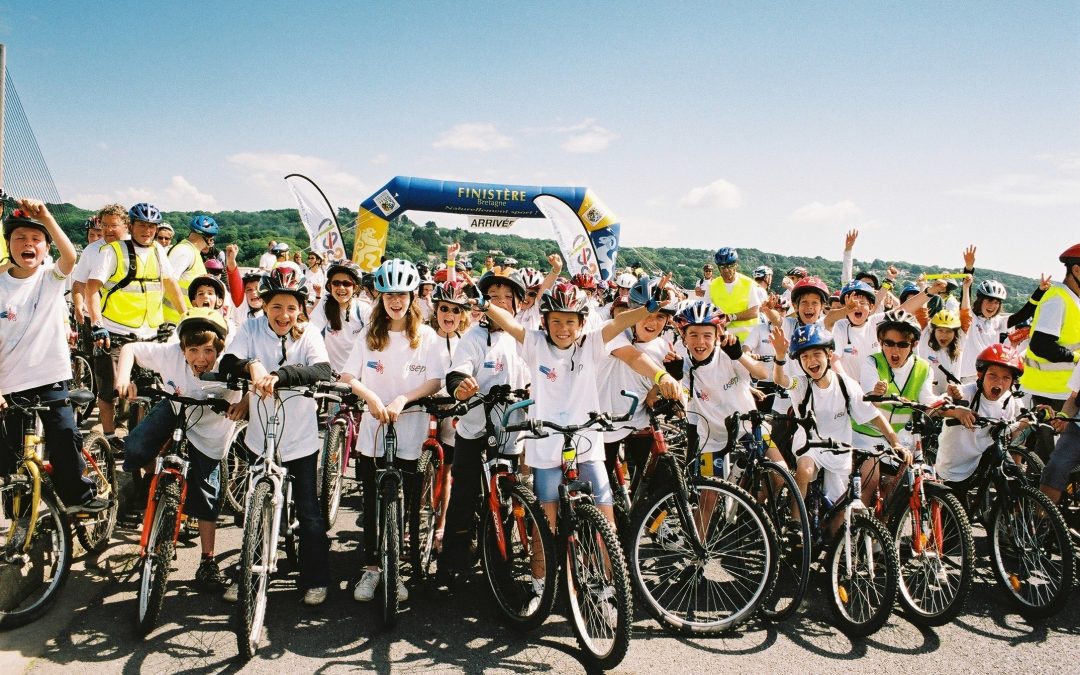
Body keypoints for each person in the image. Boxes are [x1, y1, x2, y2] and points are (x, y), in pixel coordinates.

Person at [220, 262, 333, 605]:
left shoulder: (309, 333)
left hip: (299, 436)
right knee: (256, 505)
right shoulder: (251, 328)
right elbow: (227, 361)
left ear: (300, 308)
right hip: (260, 435)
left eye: (291, 307)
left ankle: (315, 577)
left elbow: (322, 369)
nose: (283, 315)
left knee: (309, 511)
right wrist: (250, 365)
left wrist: (282, 376)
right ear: (264, 305)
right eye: (276, 307)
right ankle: (248, 569)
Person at [338, 259, 445, 604]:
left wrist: (403, 397)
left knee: (405, 504)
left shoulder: (427, 336)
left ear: (412, 297)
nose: (395, 301)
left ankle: (396, 569)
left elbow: (434, 380)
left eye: (401, 295)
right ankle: (371, 568)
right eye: (388, 295)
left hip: (410, 427)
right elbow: (348, 376)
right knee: (372, 502)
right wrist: (369, 396)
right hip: (373, 427)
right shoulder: (369, 336)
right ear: (380, 298)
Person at [114, 308, 241, 592]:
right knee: (134, 447)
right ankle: (154, 482)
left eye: (208, 350)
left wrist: (242, 405)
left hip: (210, 428)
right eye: (192, 349)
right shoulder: (170, 353)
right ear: (181, 347)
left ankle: (208, 561)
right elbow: (130, 348)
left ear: (220, 349)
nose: (200, 358)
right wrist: (123, 377)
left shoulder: (231, 362)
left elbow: (255, 379)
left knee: (208, 495)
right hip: (176, 408)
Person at [0, 199, 105, 513]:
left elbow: (70, 257)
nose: (28, 244)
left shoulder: (49, 278)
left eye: (36, 240)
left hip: (50, 378)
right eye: (20, 238)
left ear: (46, 248)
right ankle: (18, 512)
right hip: (9, 384)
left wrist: (45, 217)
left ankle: (79, 498)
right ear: (8, 245)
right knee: (11, 456)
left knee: (64, 438)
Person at [440, 268, 531, 584]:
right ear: (483, 303)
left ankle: (499, 560)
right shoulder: (474, 337)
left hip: (510, 432)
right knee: (463, 496)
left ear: (518, 304)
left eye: (509, 298)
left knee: (509, 496)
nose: (502, 303)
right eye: (494, 297)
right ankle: (451, 562)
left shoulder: (526, 337)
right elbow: (456, 373)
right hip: (475, 428)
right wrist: (461, 387)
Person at [85, 203, 187, 451]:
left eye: (152, 226)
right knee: (109, 390)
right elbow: (91, 289)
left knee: (148, 393)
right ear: (131, 226)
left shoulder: (159, 252)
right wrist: (97, 323)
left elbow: (172, 286)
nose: (147, 231)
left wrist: (187, 316)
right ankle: (108, 439)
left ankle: (140, 438)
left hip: (149, 335)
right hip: (115, 332)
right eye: (142, 225)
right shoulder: (113, 252)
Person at [769, 324, 905, 509]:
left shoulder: (846, 385)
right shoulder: (801, 384)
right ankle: (796, 527)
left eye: (817, 354)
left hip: (839, 447)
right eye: (804, 357)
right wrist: (779, 356)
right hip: (810, 443)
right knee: (805, 471)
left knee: (838, 512)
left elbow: (874, 415)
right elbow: (780, 380)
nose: (811, 361)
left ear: (829, 355)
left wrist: (895, 442)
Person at [676, 301, 769, 477]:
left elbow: (762, 373)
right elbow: (683, 403)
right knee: (708, 498)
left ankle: (744, 501)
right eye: (693, 335)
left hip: (748, 426)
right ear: (683, 336)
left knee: (779, 474)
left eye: (707, 335)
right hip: (713, 436)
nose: (700, 342)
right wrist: (676, 377)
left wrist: (740, 355)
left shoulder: (729, 353)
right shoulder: (685, 365)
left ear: (718, 335)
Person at [935, 345, 1029, 487]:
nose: (999, 382)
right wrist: (956, 411)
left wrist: (1037, 414)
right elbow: (934, 408)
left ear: (1012, 382)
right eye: (993, 375)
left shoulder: (1011, 399)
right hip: (955, 465)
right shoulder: (965, 393)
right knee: (958, 506)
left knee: (1016, 481)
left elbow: (1025, 419)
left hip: (986, 459)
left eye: (1006, 378)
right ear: (981, 375)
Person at [71, 204, 128, 325]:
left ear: (126, 226)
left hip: (125, 321)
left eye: (113, 225)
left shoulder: (136, 247)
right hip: (93, 316)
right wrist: (78, 304)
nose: (108, 230)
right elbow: (79, 282)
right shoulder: (91, 250)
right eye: (105, 225)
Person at [307, 260, 368, 373]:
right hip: (330, 375)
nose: (341, 287)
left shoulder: (363, 310)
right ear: (330, 286)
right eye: (336, 283)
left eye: (346, 283)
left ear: (355, 287)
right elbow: (311, 331)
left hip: (356, 376)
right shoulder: (325, 304)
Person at [163, 214, 218, 325]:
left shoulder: (192, 252)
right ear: (207, 238)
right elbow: (168, 282)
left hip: (181, 322)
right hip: (174, 322)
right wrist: (185, 315)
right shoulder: (185, 251)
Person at [707, 247, 760, 343]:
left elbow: (755, 312)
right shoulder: (712, 285)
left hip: (748, 340)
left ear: (736, 265)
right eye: (722, 267)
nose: (726, 270)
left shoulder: (748, 283)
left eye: (729, 266)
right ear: (718, 268)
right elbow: (705, 312)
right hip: (723, 338)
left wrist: (731, 317)